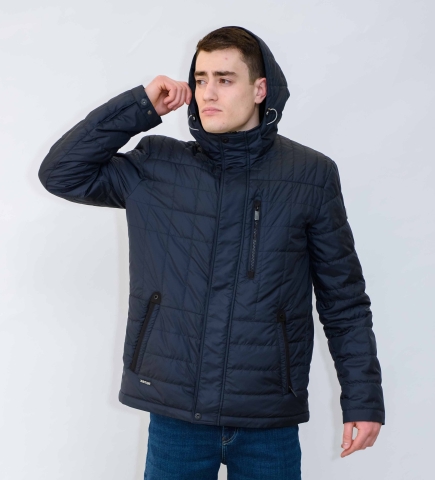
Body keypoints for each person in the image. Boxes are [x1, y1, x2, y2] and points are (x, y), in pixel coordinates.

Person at [38, 26, 385, 479]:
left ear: (260, 89)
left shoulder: (309, 176)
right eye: (200, 79)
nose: (208, 92)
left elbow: (344, 299)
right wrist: (140, 107)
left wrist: (362, 399)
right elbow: (60, 173)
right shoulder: (157, 165)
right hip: (176, 416)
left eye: (224, 79)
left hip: (268, 418)